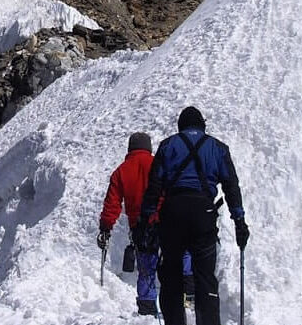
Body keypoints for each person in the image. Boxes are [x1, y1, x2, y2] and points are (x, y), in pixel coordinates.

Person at [137, 107, 249, 325]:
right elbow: (231, 186)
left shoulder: (168, 145)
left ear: (181, 125)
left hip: (173, 213)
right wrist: (240, 221)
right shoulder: (218, 148)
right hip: (203, 213)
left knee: (171, 276)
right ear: (202, 125)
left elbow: (154, 186)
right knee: (205, 277)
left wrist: (145, 220)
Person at [97, 132, 160, 315]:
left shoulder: (121, 171)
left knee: (146, 269)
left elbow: (112, 203)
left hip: (140, 227)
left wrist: (105, 227)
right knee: (170, 263)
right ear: (148, 147)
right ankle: (179, 305)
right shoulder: (158, 164)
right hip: (163, 222)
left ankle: (147, 310)